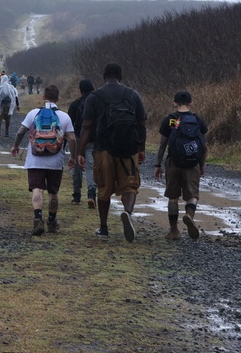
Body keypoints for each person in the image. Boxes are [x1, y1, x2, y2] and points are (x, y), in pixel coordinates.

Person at [76, 63, 147, 242]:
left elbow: (86, 126)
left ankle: (104, 227)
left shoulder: (94, 97)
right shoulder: (133, 94)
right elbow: (142, 125)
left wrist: (80, 151)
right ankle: (127, 213)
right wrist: (141, 149)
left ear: (104, 76)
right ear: (120, 76)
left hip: (103, 149)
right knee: (130, 186)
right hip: (129, 149)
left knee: (104, 189)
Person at [11, 85, 76, 235]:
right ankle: (52, 222)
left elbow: (21, 131)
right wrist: (72, 156)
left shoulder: (34, 113)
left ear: (43, 97)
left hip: (35, 159)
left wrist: (15, 146)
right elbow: (72, 139)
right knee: (53, 191)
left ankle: (38, 220)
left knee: (37, 189)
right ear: (58, 99)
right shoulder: (65, 117)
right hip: (56, 160)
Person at [154, 91, 208, 240]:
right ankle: (189, 215)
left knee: (173, 197)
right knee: (192, 196)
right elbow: (203, 147)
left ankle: (173, 230)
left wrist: (158, 165)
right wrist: (201, 165)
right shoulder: (198, 121)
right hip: (192, 164)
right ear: (191, 103)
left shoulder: (169, 120)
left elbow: (162, 145)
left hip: (173, 163)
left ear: (175, 103)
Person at [67, 79, 96, 207]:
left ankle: (77, 196)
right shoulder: (97, 103)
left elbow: (68, 125)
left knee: (77, 168)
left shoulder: (75, 104)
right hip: (93, 140)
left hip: (78, 138)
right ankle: (91, 194)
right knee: (91, 167)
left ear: (80, 89)